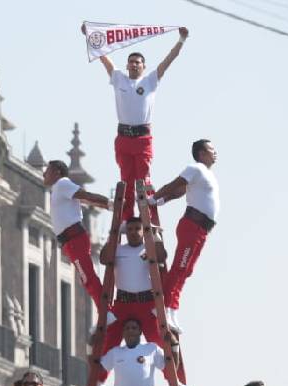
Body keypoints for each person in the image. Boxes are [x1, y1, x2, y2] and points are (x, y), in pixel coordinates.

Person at [88, 24, 190, 221]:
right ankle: (127, 219)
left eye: (138, 62)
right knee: (125, 182)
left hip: (142, 139)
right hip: (123, 138)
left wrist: (181, 40)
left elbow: (169, 60)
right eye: (131, 62)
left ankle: (151, 219)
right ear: (127, 66)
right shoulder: (118, 78)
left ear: (143, 66)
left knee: (144, 182)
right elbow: (103, 56)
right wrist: (91, 36)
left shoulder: (150, 81)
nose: (134, 65)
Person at [150, 139, 220, 332]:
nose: (215, 152)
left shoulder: (207, 174)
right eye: (211, 149)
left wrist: (164, 200)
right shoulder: (195, 168)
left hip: (202, 229)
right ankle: (163, 306)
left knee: (186, 270)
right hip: (192, 225)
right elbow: (176, 184)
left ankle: (172, 307)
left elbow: (180, 191)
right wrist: (155, 198)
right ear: (201, 153)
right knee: (180, 266)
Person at [44, 160, 113, 318]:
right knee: (86, 277)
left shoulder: (62, 184)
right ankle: (105, 309)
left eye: (47, 170)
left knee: (87, 277)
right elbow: (85, 199)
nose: (44, 174)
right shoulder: (59, 188)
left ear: (57, 172)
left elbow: (85, 196)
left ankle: (105, 310)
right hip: (71, 241)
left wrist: (109, 204)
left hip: (74, 238)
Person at [96, 217, 167, 352]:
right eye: (129, 229)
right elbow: (104, 259)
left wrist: (155, 235)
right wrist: (114, 234)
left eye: (137, 229)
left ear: (143, 231)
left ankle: (168, 366)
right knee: (108, 345)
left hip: (146, 304)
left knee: (158, 344)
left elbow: (161, 257)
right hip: (123, 304)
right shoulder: (118, 249)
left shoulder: (148, 249)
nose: (133, 232)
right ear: (125, 232)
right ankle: (102, 366)